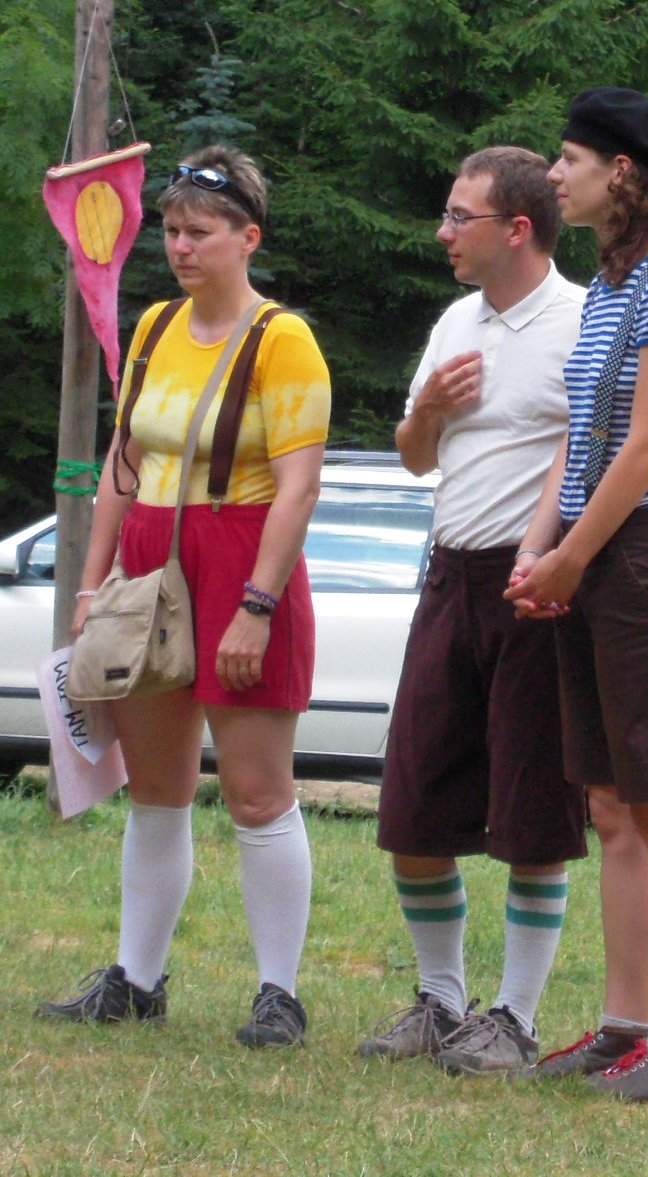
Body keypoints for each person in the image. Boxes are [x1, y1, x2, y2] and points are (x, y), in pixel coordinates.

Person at [36, 145, 331, 1049]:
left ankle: (278, 993)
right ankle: (137, 978)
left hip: (242, 555)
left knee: (256, 791)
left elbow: (299, 487)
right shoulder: (157, 327)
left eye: (199, 231)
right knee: (156, 790)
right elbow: (123, 462)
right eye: (169, 230)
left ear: (249, 237)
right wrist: (93, 583)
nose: (180, 246)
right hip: (150, 563)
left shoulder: (282, 338)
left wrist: (257, 605)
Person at [505, 87, 648, 1102]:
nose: (554, 175)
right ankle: (625, 1030)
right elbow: (581, 435)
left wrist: (573, 557)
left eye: (569, 159)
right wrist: (537, 546)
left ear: (622, 173)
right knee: (613, 807)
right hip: (597, 556)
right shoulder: (611, 286)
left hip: (643, 561)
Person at [356, 146, 588, 1076]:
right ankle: (442, 1001)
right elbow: (416, 455)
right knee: (413, 803)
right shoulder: (457, 319)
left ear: (517, 229)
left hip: (532, 588)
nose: (442, 232)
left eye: (461, 217)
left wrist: (556, 555)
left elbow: (631, 441)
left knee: (534, 812)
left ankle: (515, 1017)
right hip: (449, 574)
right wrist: (427, 410)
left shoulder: (583, 320)